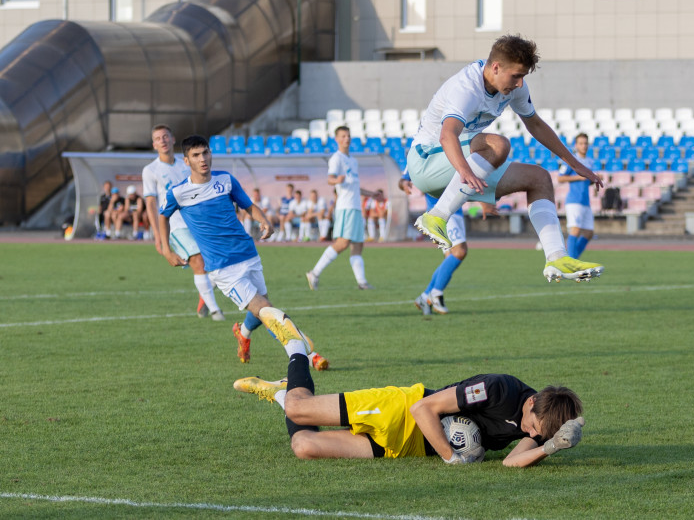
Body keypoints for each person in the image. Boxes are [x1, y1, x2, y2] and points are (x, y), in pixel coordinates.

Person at [408, 34, 604, 283]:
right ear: (496, 67)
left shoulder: (515, 88)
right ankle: (435, 216)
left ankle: (557, 257)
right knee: (498, 145)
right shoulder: (466, 88)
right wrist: (465, 171)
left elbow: (535, 124)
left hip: (456, 167)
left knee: (539, 178)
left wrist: (574, 163)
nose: (520, 84)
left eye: (523, 77)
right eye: (516, 76)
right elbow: (447, 136)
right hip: (426, 161)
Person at [233, 352, 585, 467]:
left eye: (539, 435)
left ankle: (279, 393)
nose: (530, 434)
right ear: (530, 402)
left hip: (411, 446)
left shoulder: (535, 424)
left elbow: (512, 462)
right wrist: (450, 456)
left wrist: (552, 446)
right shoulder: (498, 389)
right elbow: (422, 408)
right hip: (398, 410)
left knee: (304, 446)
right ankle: (297, 349)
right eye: (534, 427)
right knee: (298, 410)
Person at [158, 135, 328, 371]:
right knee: (267, 310)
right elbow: (163, 216)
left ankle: (243, 333)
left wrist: (263, 220)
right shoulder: (178, 192)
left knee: (262, 311)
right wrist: (166, 250)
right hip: (223, 267)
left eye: (205, 152)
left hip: (248, 254)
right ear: (186, 161)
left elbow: (248, 206)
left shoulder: (226, 180)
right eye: (196, 155)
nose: (202, 159)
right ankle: (308, 355)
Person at [142, 124, 225, 321]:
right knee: (198, 261)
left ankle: (204, 297)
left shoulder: (186, 164)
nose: (162, 140)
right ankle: (216, 311)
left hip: (197, 220)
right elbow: (151, 203)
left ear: (172, 139)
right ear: (154, 145)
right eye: (158, 138)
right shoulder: (150, 170)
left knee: (219, 263)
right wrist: (158, 236)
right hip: (174, 225)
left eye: (165, 136)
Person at [399, 174, 494, 315]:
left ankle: (425, 297)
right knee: (460, 252)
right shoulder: (422, 159)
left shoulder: (457, 159)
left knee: (450, 258)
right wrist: (404, 184)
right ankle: (435, 294)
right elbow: (403, 179)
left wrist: (483, 199)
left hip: (456, 211)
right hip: (440, 211)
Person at [305, 126, 383, 291]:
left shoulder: (353, 161)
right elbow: (330, 179)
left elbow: (355, 187)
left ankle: (362, 282)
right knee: (342, 243)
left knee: (358, 244)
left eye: (348, 136)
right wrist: (336, 180)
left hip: (355, 207)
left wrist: (372, 194)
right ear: (337, 139)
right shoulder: (336, 158)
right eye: (343, 136)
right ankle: (314, 273)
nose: (346, 139)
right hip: (345, 207)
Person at [558, 133, 595, 259]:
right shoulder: (571, 160)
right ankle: (571, 261)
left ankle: (572, 259)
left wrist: (594, 179)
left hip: (585, 201)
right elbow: (560, 178)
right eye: (581, 143)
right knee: (575, 230)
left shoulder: (590, 162)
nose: (584, 146)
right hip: (574, 200)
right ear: (576, 145)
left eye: (585, 143)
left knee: (589, 233)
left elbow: (587, 182)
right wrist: (579, 177)